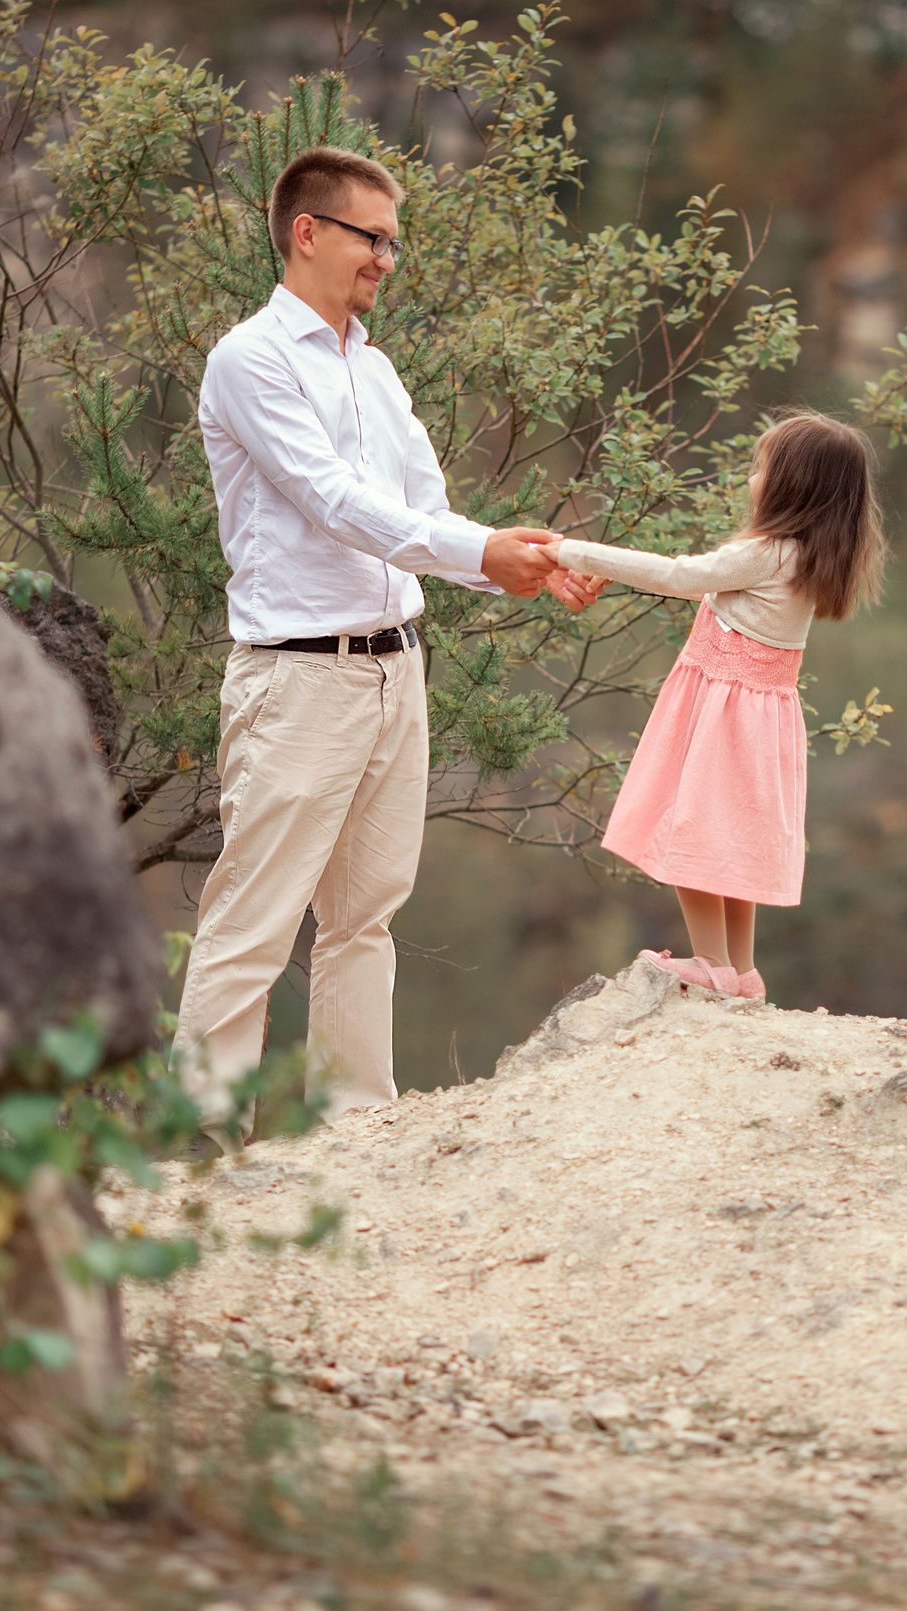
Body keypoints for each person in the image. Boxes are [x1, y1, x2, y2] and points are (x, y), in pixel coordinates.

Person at [176, 144, 596, 1132]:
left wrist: (520, 557)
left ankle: (355, 1128)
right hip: (296, 679)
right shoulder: (250, 359)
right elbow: (331, 503)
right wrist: (482, 550)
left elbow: (421, 513)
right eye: (372, 237)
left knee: (366, 914)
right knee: (253, 913)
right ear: (306, 232)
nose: (387, 260)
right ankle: (198, 1140)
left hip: (393, 668)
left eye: (395, 244)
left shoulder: (377, 369)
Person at [540, 409, 887, 1001]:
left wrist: (574, 553)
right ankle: (741, 972)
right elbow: (705, 585)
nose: (752, 478)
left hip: (720, 720)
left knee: (694, 833)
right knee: (732, 842)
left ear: (792, 487)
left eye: (762, 468)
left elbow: (680, 574)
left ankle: (710, 965)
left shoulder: (770, 552)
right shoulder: (804, 557)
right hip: (756, 720)